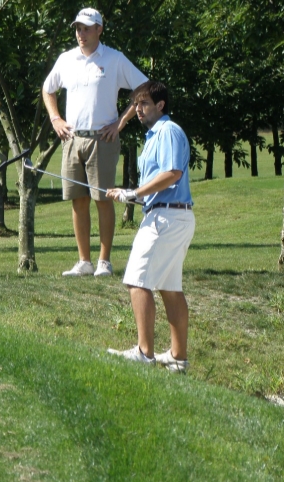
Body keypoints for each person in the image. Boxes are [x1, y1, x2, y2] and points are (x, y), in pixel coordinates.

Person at [42, 7, 148, 277]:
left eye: (87, 28)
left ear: (100, 29)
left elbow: (143, 87)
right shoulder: (66, 59)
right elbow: (48, 88)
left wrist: (120, 122)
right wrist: (55, 118)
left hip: (103, 139)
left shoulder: (114, 59)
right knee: (78, 200)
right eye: (78, 28)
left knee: (102, 199)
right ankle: (84, 262)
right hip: (72, 139)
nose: (82, 33)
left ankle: (104, 262)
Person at [105, 81, 195, 373]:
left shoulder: (168, 131)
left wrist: (135, 193)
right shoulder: (154, 136)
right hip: (170, 216)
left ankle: (145, 353)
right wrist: (129, 193)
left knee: (137, 280)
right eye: (135, 104)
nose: (138, 110)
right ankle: (178, 358)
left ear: (160, 105)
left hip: (166, 218)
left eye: (143, 104)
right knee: (169, 287)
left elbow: (172, 173)